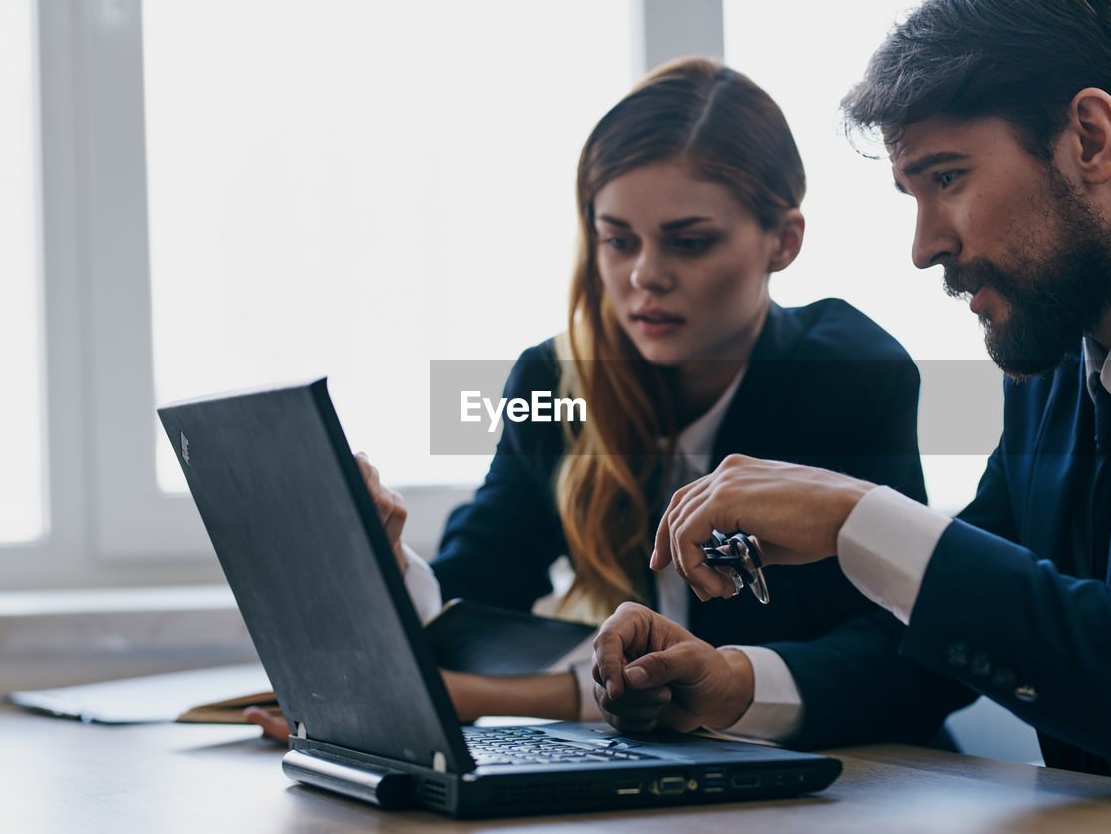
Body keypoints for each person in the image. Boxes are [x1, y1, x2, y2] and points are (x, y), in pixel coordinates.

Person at [592, 0, 1111, 796]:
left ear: (1092, 137)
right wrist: (735, 681)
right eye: (914, 195)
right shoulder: (1058, 361)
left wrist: (856, 518)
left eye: (947, 179)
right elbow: (948, 644)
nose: (924, 247)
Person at [249, 57, 935, 740]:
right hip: (661, 781)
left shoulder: (849, 374)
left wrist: (528, 696)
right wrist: (385, 560)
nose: (644, 276)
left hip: (860, 773)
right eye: (617, 241)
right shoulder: (555, 382)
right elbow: (481, 586)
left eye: (689, 243)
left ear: (783, 241)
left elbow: (908, 655)